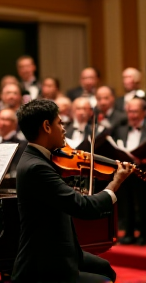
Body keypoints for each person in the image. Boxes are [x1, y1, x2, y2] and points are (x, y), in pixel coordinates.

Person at [11, 99, 134, 283]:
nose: (63, 129)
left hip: (63, 251)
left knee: (105, 268)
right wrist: (114, 184)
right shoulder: (37, 167)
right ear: (46, 126)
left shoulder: (40, 159)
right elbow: (83, 206)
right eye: (59, 123)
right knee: (105, 279)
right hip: (46, 263)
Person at [112, 97, 146, 245]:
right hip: (125, 172)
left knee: (144, 203)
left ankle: (144, 234)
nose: (132, 115)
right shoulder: (120, 129)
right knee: (126, 203)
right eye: (129, 111)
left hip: (144, 172)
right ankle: (129, 233)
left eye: (135, 111)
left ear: (144, 112)